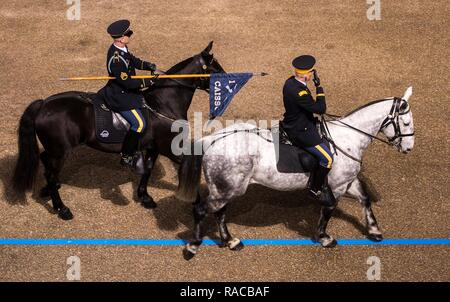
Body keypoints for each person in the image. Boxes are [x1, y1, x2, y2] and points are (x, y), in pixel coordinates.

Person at [281, 55, 335, 205]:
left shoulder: (289, 82)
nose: (312, 75)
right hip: (300, 130)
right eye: (311, 72)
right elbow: (321, 109)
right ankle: (315, 189)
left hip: (294, 121)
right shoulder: (300, 93)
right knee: (328, 158)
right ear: (305, 75)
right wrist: (319, 88)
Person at [104, 19, 157, 169]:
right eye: (128, 33)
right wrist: (148, 82)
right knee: (139, 124)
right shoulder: (116, 59)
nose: (130, 35)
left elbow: (132, 60)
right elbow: (127, 83)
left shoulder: (123, 49)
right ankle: (126, 155)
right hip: (119, 94)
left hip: (127, 90)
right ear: (120, 38)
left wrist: (148, 66)